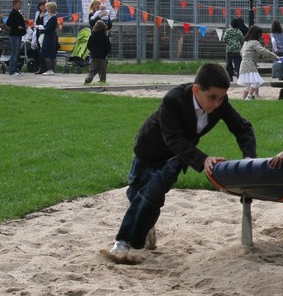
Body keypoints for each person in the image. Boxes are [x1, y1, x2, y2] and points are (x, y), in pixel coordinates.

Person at [102, 63, 256, 264]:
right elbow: (173, 138)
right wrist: (203, 159)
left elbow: (242, 127)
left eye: (221, 98)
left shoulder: (220, 103)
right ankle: (146, 227)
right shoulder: (174, 99)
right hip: (149, 149)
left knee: (151, 195)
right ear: (196, 89)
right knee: (136, 194)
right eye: (212, 97)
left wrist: (249, 159)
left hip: (176, 156)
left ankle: (124, 243)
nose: (217, 103)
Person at [238, 24, 279, 100]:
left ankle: (243, 99)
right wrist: (274, 55)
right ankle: (249, 97)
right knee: (256, 81)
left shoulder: (246, 42)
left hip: (243, 64)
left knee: (248, 83)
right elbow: (263, 50)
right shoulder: (254, 42)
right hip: (250, 65)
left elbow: (241, 52)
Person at [84, 20, 111, 85]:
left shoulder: (92, 36)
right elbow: (108, 47)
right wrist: (105, 54)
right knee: (102, 71)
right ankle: (102, 81)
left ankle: (89, 78)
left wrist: (92, 52)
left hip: (94, 56)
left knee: (92, 70)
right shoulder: (105, 37)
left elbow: (88, 46)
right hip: (103, 57)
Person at [37, 2, 60, 75]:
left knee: (46, 53)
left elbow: (48, 29)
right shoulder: (52, 17)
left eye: (47, 7)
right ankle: (51, 69)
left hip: (49, 37)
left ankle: (50, 69)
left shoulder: (53, 18)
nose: (46, 9)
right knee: (50, 54)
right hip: (49, 36)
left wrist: (41, 30)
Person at [5, 0, 27, 76]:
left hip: (18, 34)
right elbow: (8, 23)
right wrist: (17, 26)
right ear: (14, 4)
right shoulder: (13, 13)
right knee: (14, 53)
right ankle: (12, 70)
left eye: (21, 4)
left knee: (17, 53)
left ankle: (16, 69)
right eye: (19, 4)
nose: (20, 6)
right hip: (14, 35)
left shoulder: (17, 12)